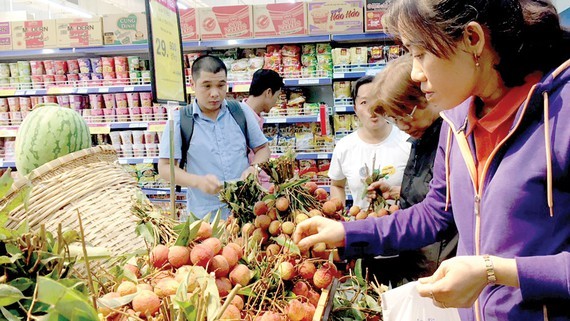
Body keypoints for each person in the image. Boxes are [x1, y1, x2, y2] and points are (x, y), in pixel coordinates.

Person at [293, 0, 570, 320]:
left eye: (420, 53)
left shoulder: (560, 113)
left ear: (472, 39)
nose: (415, 72)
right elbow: (436, 213)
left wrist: (495, 271)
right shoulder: (457, 122)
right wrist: (346, 233)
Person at [360, 54, 458, 286]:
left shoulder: (451, 139)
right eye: (395, 119)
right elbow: (432, 190)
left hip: (440, 270)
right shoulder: (421, 138)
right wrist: (398, 192)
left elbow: (439, 213)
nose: (403, 126)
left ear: (427, 96)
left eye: (406, 115)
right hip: (417, 264)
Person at [158, 55, 270, 220]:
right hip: (205, 218)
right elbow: (165, 167)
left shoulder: (240, 112)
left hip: (246, 213)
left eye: (221, 85)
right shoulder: (180, 121)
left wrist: (254, 169)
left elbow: (263, 149)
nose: (215, 93)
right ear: (192, 84)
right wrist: (197, 181)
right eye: (207, 86)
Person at [328, 75, 410, 208]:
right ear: (355, 109)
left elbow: (422, 190)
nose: (372, 109)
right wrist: (339, 213)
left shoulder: (407, 141)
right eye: (364, 102)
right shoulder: (344, 147)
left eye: (376, 100)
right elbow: (337, 185)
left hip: (400, 225)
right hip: (361, 224)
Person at [241, 69, 284, 189]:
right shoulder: (240, 119)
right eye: (277, 96)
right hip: (250, 189)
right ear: (269, 92)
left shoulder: (256, 117)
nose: (276, 102)